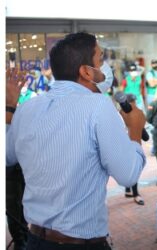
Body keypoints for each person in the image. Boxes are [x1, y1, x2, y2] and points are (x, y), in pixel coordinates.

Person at [6, 32, 147, 250]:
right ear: (85, 71)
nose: (105, 66)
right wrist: (135, 131)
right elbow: (128, 175)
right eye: (100, 59)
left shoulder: (27, 109)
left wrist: (9, 108)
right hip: (81, 244)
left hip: (35, 240)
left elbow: (6, 156)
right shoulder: (98, 106)